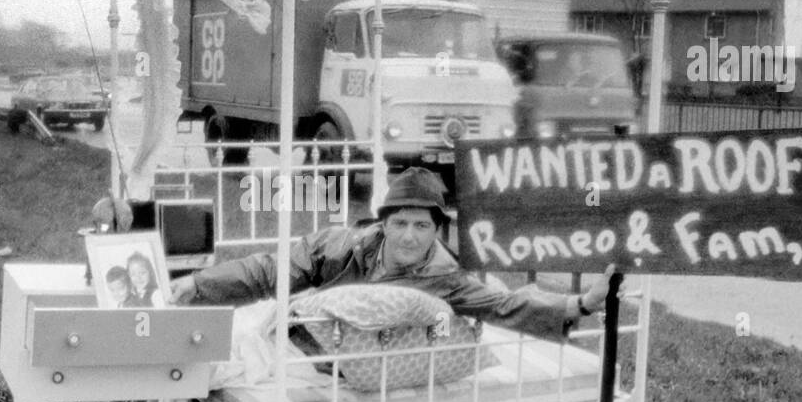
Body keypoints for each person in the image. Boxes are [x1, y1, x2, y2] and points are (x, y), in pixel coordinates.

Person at [169, 167, 617, 341]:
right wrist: (198, 282)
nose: (408, 238)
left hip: (353, 362)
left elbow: (503, 305)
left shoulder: (444, 277)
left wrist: (581, 304)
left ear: (437, 231)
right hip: (299, 337)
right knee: (225, 335)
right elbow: (269, 272)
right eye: (399, 224)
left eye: (422, 226)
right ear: (381, 225)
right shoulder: (338, 245)